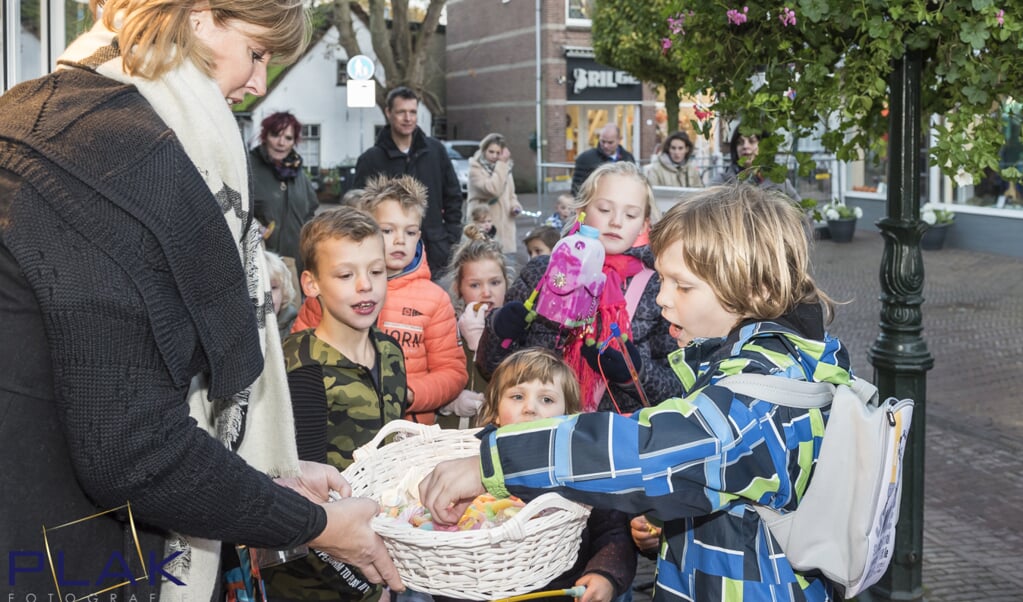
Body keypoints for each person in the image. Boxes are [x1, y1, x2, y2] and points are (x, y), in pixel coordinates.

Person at [0, 0, 401, 599]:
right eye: (257, 52)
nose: (259, 83)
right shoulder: (129, 155)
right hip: (66, 559)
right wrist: (313, 526)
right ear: (196, 16)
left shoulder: (36, 109)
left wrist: (270, 484)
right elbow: (132, 448)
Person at [419, 184, 853, 602]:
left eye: (683, 286)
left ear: (753, 290)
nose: (663, 299)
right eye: (663, 280)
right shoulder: (766, 363)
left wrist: (498, 460)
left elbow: (648, 450)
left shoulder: (761, 394)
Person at [265, 207, 407, 601]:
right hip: (313, 576)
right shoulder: (301, 367)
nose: (366, 286)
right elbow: (295, 487)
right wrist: (362, 579)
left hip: (378, 551)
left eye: (376, 272)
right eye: (346, 275)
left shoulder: (392, 354)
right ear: (311, 284)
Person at [433, 348, 637, 602]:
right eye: (517, 396)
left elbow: (612, 532)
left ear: (569, 416)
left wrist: (605, 574)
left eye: (547, 400)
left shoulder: (583, 470)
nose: (530, 408)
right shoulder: (471, 467)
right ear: (495, 411)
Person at [477, 161, 678, 415]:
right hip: (539, 426)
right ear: (582, 210)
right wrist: (499, 333)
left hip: (609, 438)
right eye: (605, 209)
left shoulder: (657, 288)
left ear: (644, 224)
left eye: (630, 215)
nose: (616, 222)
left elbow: (676, 389)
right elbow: (490, 369)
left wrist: (634, 374)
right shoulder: (542, 272)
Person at [291, 176, 468, 424]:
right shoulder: (331, 292)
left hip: (408, 433)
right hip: (339, 426)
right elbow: (298, 354)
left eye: (410, 232)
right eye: (387, 230)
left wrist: (406, 393)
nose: (399, 240)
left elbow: (452, 372)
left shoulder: (434, 300)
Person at [354, 86, 462, 278]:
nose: (408, 118)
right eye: (401, 112)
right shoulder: (371, 159)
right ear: (388, 113)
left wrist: (450, 238)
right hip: (389, 258)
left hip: (436, 253)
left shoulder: (436, 151)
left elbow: (453, 196)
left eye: (412, 112)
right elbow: (358, 209)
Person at [437, 224, 512, 429]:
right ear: (458, 289)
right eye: (475, 285)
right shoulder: (445, 327)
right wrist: (448, 401)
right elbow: (431, 377)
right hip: (453, 439)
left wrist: (483, 346)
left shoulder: (519, 332)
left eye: (495, 283)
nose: (486, 293)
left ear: (507, 283)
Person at [250, 111, 319, 278]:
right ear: (265, 136)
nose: (281, 143)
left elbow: (310, 213)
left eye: (288, 138)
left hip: (295, 263)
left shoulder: (297, 171)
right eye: (275, 135)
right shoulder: (248, 165)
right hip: (261, 262)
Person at [467, 133, 523, 264]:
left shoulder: (505, 170)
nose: (494, 156)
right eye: (490, 151)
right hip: (483, 226)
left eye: (498, 152)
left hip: (505, 228)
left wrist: (515, 206)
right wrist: (502, 164)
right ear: (483, 150)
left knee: (508, 272)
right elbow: (493, 189)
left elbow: (511, 195)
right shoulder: (476, 169)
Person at [715, 125, 801, 201]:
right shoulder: (722, 182)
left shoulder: (780, 184)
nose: (745, 146)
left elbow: (804, 215)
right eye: (740, 142)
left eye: (752, 141)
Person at [571, 123, 637, 195]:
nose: (605, 146)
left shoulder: (628, 158)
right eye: (603, 141)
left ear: (619, 139)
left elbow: (633, 184)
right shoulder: (585, 159)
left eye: (610, 142)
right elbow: (577, 188)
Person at [266, 249, 299, 338]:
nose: (268, 297)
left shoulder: (295, 327)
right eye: (260, 289)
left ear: (284, 291)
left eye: (274, 288)